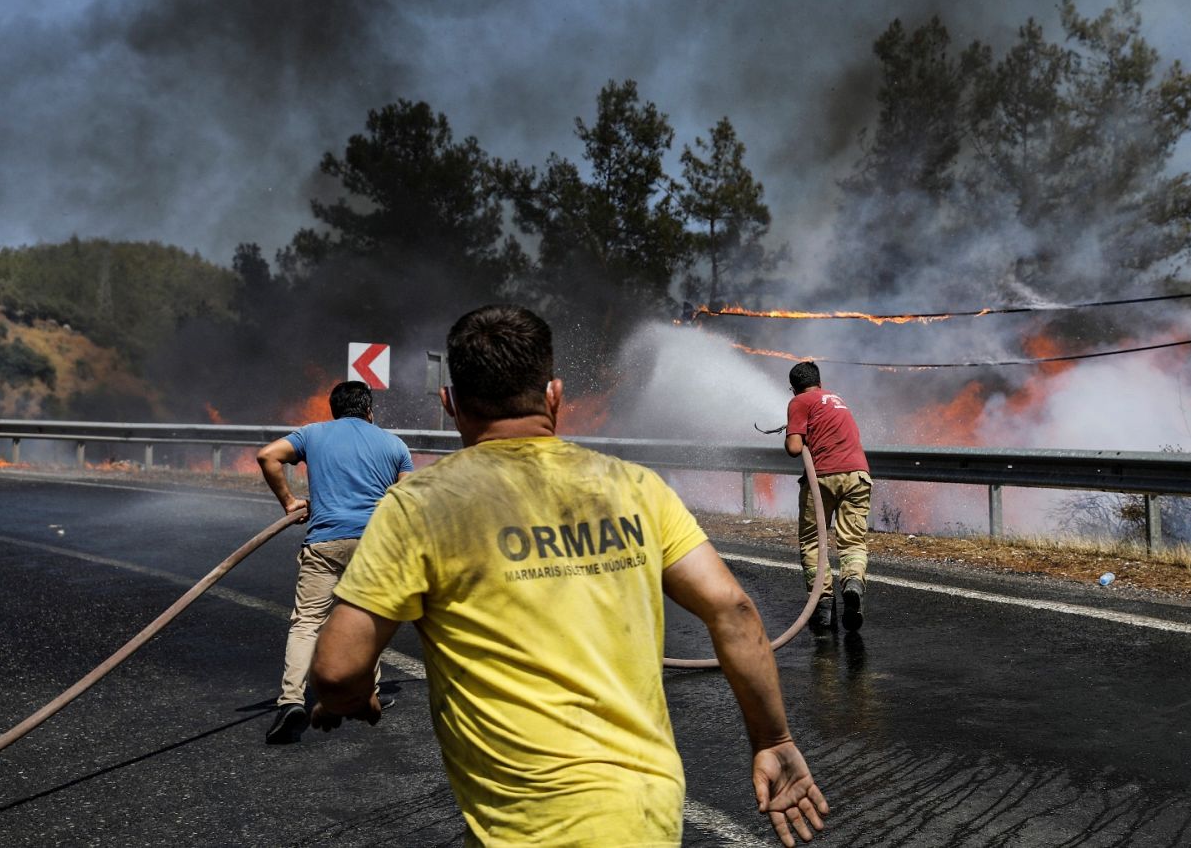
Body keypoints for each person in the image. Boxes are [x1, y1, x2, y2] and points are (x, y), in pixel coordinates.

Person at [306, 305, 828, 848]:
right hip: (647, 815)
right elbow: (733, 610)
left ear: (450, 403)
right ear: (554, 395)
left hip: (526, 829)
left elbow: (339, 670)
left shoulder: (419, 506)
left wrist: (349, 700)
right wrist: (773, 739)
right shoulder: (635, 487)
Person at [256, 380, 414, 744]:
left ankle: (291, 701)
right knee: (369, 617)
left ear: (333, 411)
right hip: (375, 544)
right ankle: (369, 694)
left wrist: (289, 502)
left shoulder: (313, 434)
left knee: (308, 622)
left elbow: (268, 456)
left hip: (325, 542)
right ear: (369, 410)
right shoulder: (394, 444)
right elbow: (406, 498)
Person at [784, 361, 871, 633]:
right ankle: (853, 583)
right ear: (820, 383)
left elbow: (794, 448)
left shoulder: (799, 401)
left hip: (823, 477)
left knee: (813, 541)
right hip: (858, 475)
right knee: (853, 540)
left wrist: (793, 435)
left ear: (793, 388)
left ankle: (822, 606)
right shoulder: (836, 399)